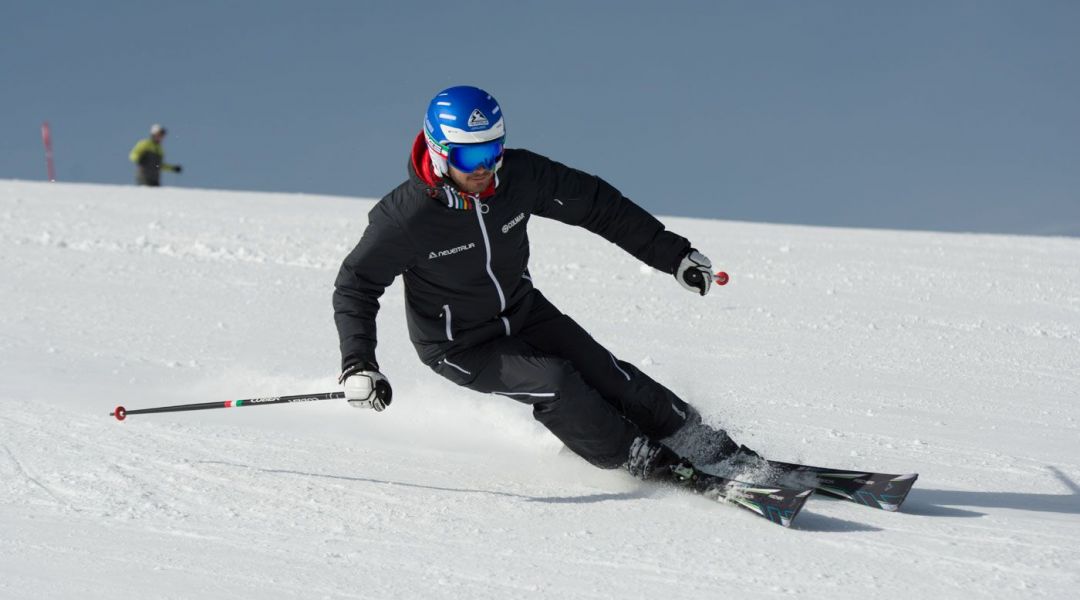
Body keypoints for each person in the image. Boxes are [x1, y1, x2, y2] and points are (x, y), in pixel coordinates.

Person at [333, 86, 745, 483]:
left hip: (524, 311)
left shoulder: (519, 176)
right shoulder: (405, 218)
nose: (482, 167)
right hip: (459, 345)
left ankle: (704, 443)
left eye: (492, 150)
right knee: (557, 383)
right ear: (440, 153)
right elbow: (356, 285)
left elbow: (597, 205)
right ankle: (639, 457)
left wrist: (673, 256)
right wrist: (359, 364)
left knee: (611, 376)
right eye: (469, 154)